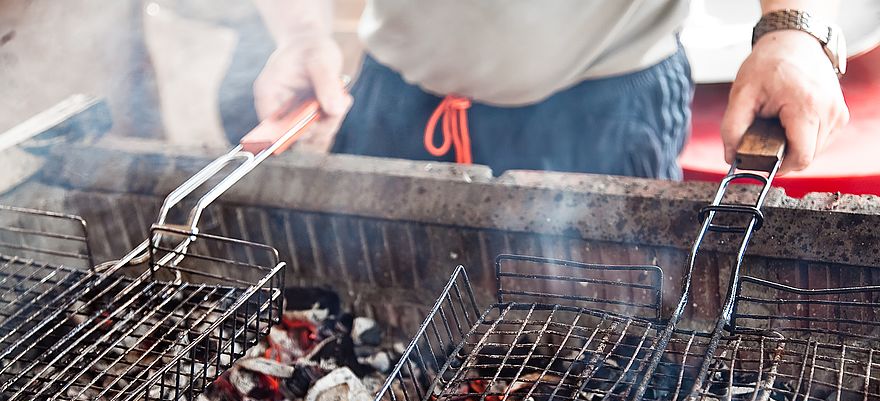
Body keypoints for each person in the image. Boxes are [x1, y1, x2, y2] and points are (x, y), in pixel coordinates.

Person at [251, 0, 848, 178]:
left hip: (604, 105)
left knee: (611, 369)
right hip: (395, 102)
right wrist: (302, 33)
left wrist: (792, 29)